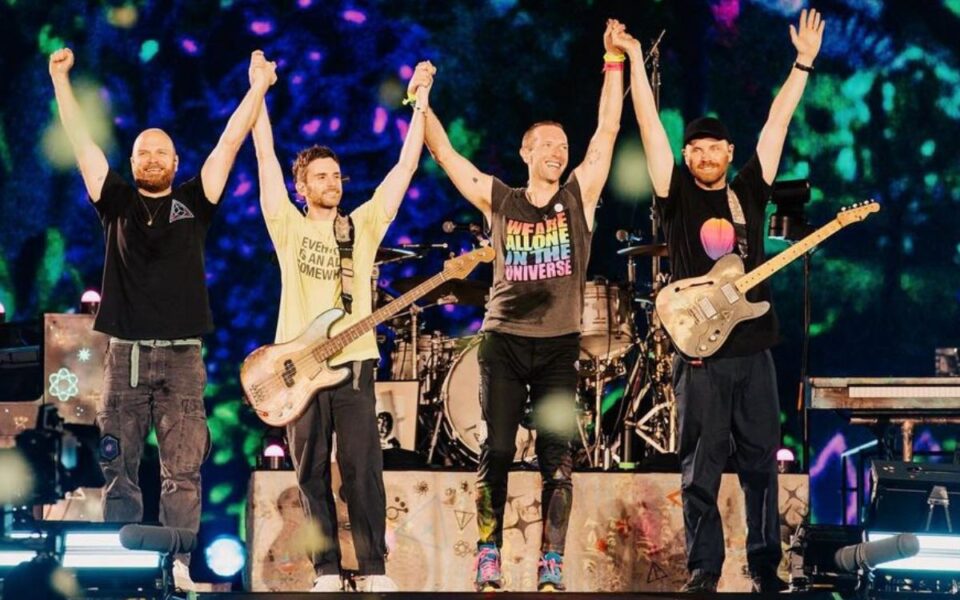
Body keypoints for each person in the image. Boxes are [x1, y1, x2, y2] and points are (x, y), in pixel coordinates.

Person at [49, 47, 277, 590]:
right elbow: (81, 144)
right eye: (143, 152)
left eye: (161, 152)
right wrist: (60, 80)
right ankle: (123, 571)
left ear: (175, 163)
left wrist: (257, 87)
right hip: (124, 356)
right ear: (132, 164)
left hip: (181, 359)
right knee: (118, 470)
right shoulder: (116, 202)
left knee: (183, 472)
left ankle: (175, 567)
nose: (152, 158)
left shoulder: (196, 202)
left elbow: (229, 142)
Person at [618, 9, 825, 593]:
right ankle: (704, 570)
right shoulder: (676, 194)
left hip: (753, 349)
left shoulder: (749, 192)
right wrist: (633, 60)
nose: (705, 157)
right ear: (686, 157)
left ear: (730, 153)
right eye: (696, 150)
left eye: (715, 149)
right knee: (700, 468)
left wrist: (803, 64)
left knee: (762, 465)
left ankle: (764, 567)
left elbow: (777, 123)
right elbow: (649, 125)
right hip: (700, 355)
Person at [415, 21, 626, 592]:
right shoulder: (501, 199)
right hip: (504, 342)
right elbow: (445, 154)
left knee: (557, 456)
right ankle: (489, 552)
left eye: (563, 146)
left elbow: (608, 130)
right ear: (526, 152)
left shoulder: (578, 196)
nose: (558, 152)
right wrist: (421, 100)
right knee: (500, 447)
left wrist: (613, 62)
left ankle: (550, 562)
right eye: (547, 145)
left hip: (558, 347)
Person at [250, 58, 435, 593]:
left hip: (353, 365)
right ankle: (326, 570)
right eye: (320, 176)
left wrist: (420, 102)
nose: (331, 182)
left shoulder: (362, 227)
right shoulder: (287, 226)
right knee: (309, 472)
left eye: (335, 175)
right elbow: (264, 158)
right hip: (296, 371)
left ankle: (374, 568)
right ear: (302, 186)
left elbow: (404, 169)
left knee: (362, 469)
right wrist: (259, 92)